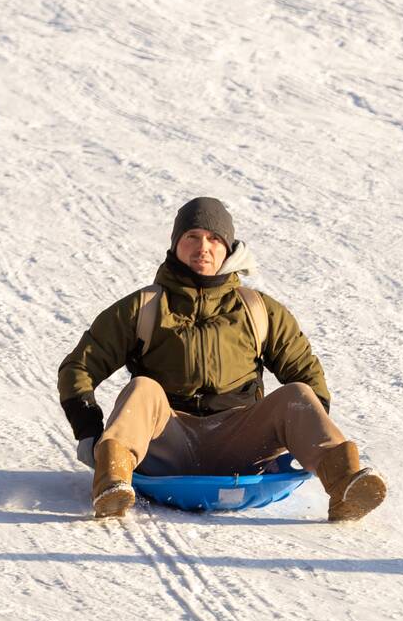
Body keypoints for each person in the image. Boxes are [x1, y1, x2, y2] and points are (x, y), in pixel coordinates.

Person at [57, 197, 386, 521]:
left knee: (297, 396)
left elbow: (305, 370)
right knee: (142, 389)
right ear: (176, 245)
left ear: (228, 248)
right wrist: (89, 431)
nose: (204, 247)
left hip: (240, 442)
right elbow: (79, 366)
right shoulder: (143, 308)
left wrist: (309, 432)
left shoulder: (257, 310)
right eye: (192, 237)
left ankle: (345, 486)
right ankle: (112, 482)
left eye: (214, 239)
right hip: (167, 440)